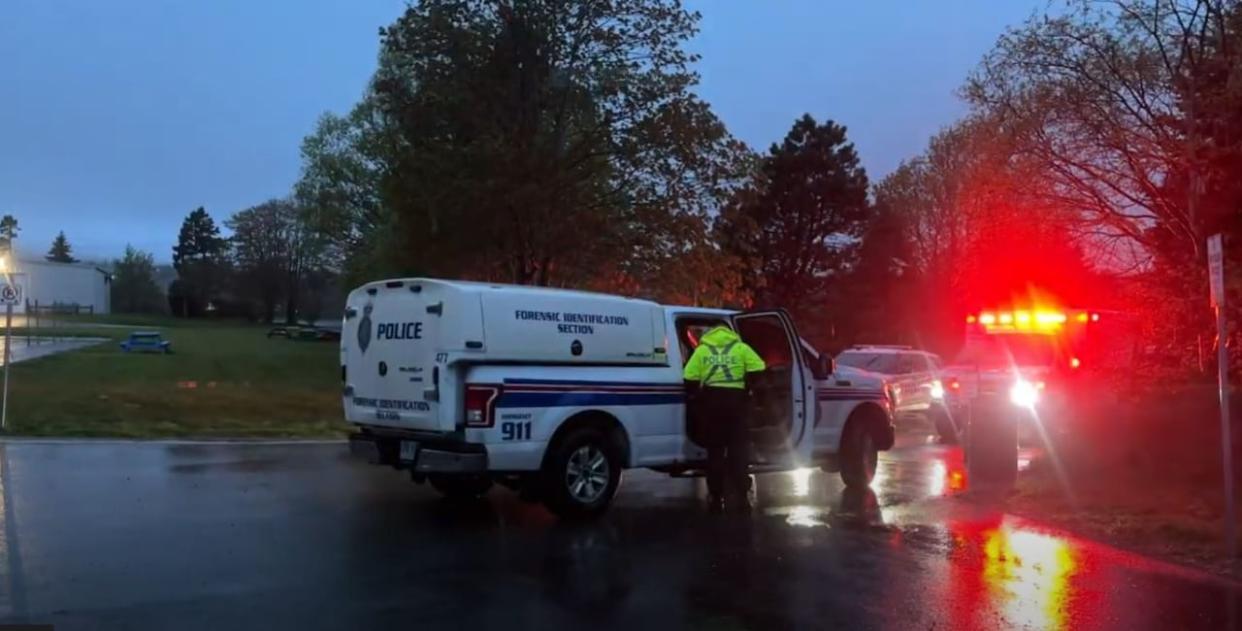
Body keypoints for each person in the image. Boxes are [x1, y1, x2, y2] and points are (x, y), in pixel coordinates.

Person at [682, 324, 766, 512]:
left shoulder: (702, 350)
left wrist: (697, 397)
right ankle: (742, 496)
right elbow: (759, 368)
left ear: (710, 335)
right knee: (739, 451)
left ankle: (716, 496)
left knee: (716, 452)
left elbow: (689, 376)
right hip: (736, 403)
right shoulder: (740, 348)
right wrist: (749, 389)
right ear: (730, 334)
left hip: (712, 403)